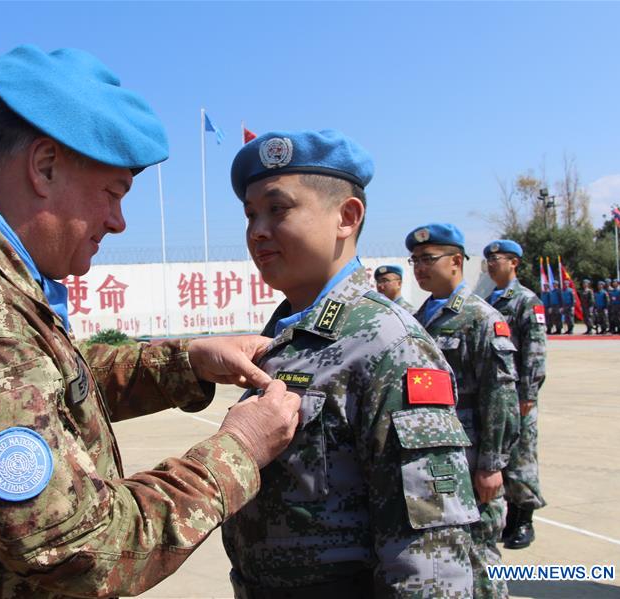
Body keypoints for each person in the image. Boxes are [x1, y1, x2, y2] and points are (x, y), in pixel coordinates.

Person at [0, 45, 301, 597]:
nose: (118, 221)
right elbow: (83, 551)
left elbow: (50, 382)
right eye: (112, 193)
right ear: (44, 167)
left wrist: (187, 361)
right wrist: (239, 451)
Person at [220, 130, 477, 597]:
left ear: (346, 216)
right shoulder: (287, 336)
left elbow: (432, 553)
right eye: (250, 214)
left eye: (278, 209)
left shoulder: (388, 343)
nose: (257, 230)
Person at [407, 223, 520, 599]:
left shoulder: (481, 319)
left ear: (456, 261)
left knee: (479, 554)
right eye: (415, 260)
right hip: (435, 458)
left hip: (471, 462)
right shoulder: (419, 319)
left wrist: (491, 464)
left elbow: (500, 397)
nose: (419, 268)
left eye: (428, 259)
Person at [482, 240, 547, 550]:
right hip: (494, 395)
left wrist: (528, 394)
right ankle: (507, 517)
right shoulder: (485, 300)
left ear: (514, 263)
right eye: (489, 260)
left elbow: (535, 351)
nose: (492, 264)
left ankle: (524, 519)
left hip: (518, 394)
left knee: (521, 459)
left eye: (498, 259)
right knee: (499, 456)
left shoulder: (525, 300)